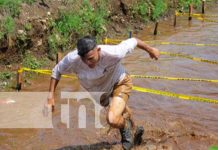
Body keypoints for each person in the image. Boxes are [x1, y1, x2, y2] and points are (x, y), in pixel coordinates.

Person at [46, 36, 160, 150]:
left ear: (98, 50)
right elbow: (56, 71)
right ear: (80, 56)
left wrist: (151, 50)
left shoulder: (114, 53)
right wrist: (50, 97)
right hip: (100, 93)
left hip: (119, 82)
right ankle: (134, 134)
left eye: (91, 58)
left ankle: (127, 129)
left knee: (112, 119)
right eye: (84, 59)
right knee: (120, 113)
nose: (87, 63)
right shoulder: (72, 59)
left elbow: (134, 41)